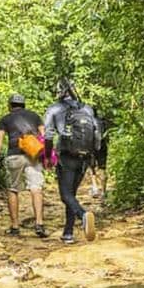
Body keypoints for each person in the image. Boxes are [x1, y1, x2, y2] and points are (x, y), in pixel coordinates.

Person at [43, 79, 99, 244]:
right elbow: (96, 135)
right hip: (84, 157)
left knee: (65, 194)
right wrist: (92, 157)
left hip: (66, 156)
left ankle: (83, 216)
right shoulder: (87, 109)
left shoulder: (54, 109)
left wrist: (47, 156)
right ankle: (68, 233)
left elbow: (48, 135)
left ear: (59, 91)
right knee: (71, 194)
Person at [0, 94, 47, 237]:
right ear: (23, 105)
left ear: (10, 105)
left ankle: (15, 227)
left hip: (14, 156)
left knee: (13, 189)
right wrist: (47, 155)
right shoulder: (35, 116)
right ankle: (39, 224)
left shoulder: (5, 119)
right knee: (36, 188)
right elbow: (44, 135)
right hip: (33, 156)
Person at [89, 108, 109, 200]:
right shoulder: (103, 121)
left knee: (92, 168)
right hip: (103, 146)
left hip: (91, 147)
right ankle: (104, 191)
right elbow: (107, 136)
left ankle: (95, 187)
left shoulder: (88, 122)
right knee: (102, 168)